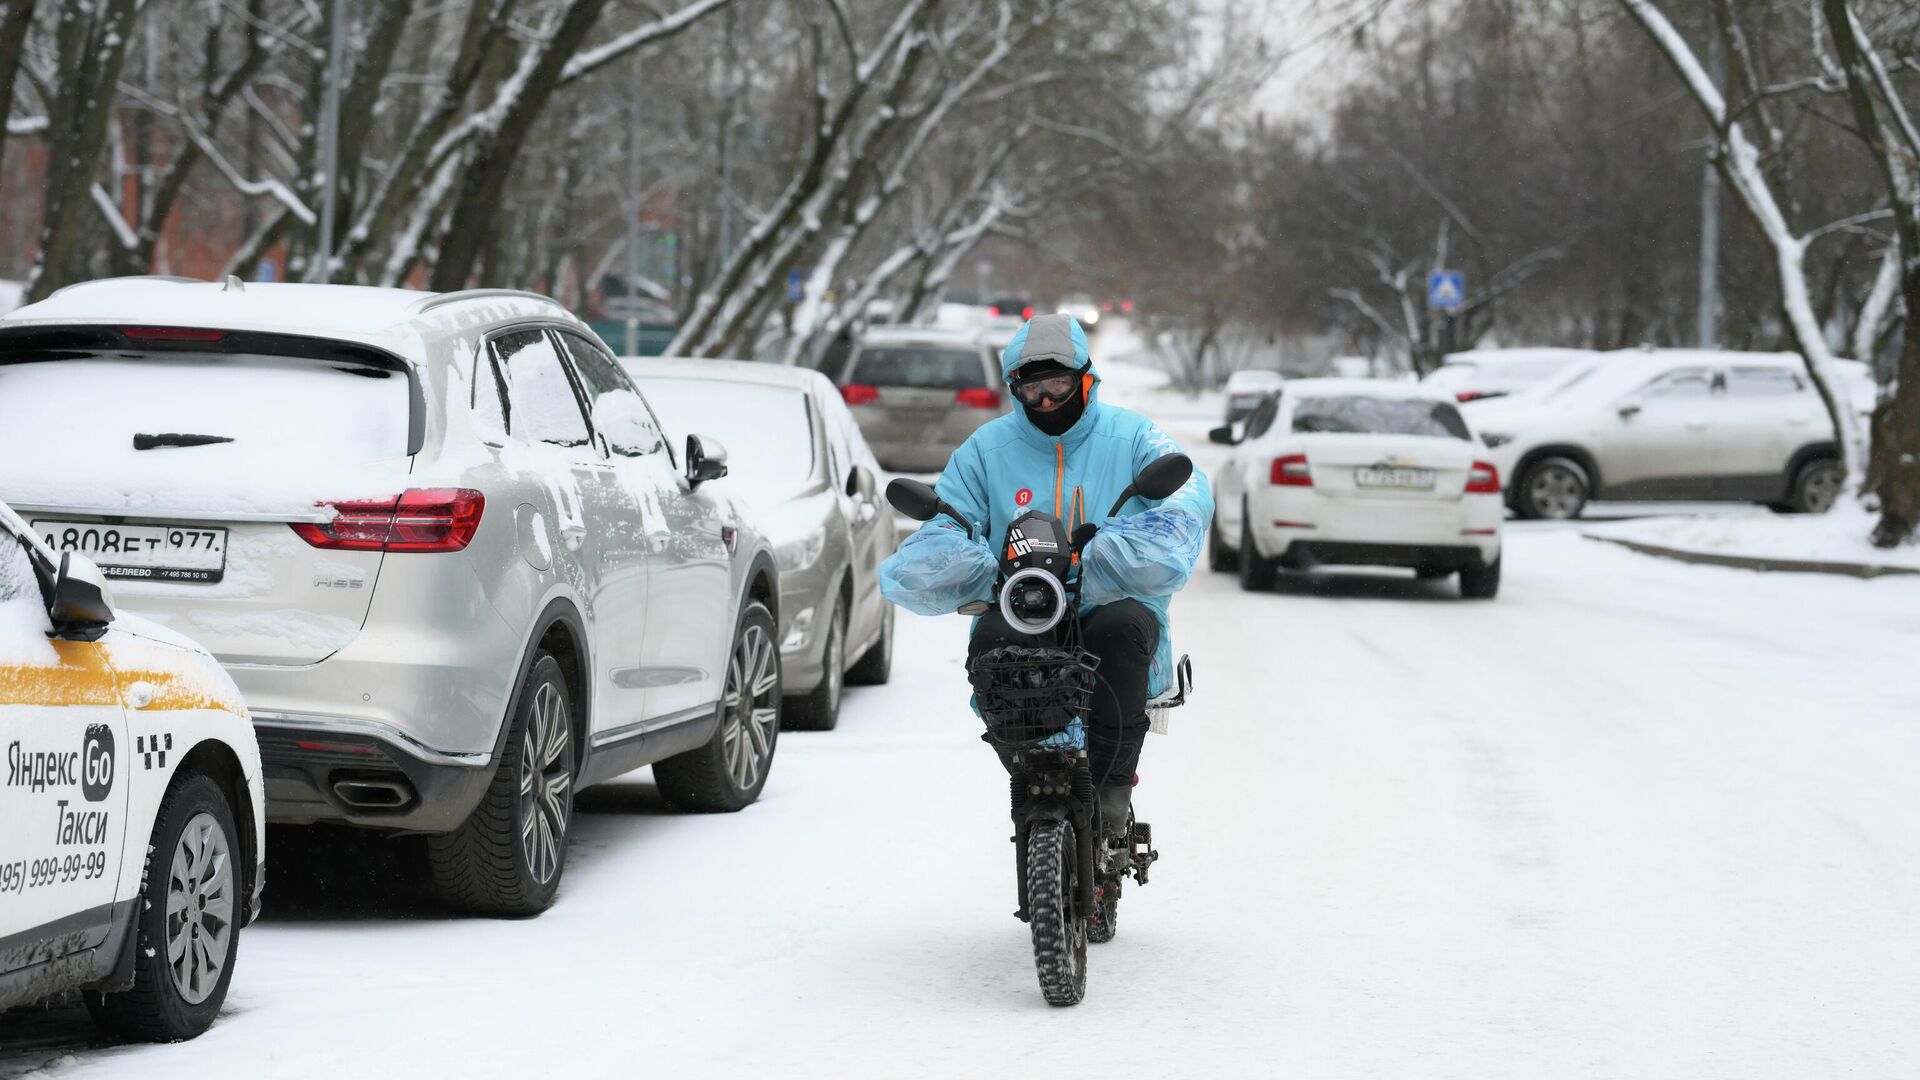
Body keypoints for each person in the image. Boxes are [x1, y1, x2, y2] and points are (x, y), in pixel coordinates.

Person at [878, 313, 1213, 835]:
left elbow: (1186, 496)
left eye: (1059, 384)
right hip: (1021, 605)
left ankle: (1112, 794)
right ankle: (1029, 778)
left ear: (1085, 377)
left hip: (1112, 602)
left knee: (1120, 631)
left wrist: (1122, 551)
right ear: (1015, 389)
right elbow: (946, 521)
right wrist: (962, 563)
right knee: (993, 643)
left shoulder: (1132, 437)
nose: (1048, 401)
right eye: (1032, 389)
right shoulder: (985, 451)